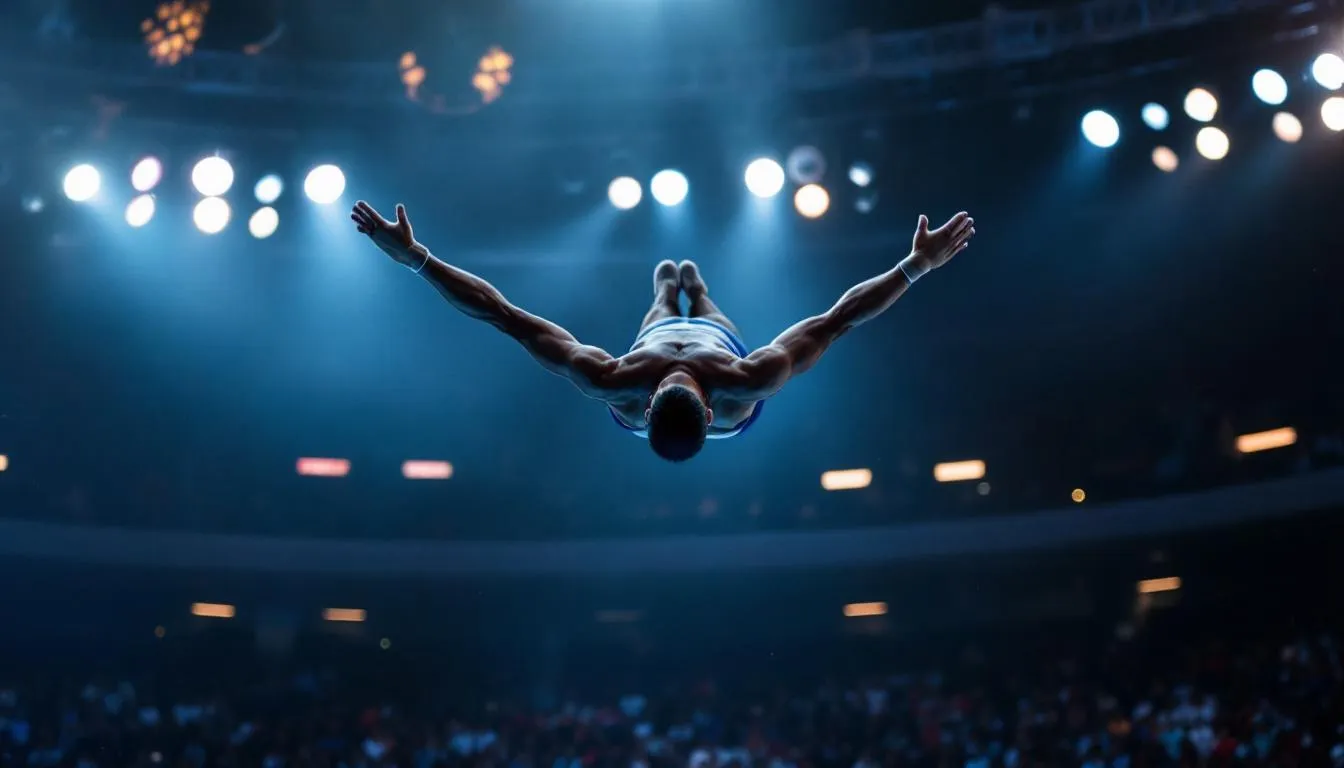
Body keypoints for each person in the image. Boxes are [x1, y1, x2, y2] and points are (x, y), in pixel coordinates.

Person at [351, 202, 975, 462]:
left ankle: (666, 293)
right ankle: (692, 292)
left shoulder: (612, 379)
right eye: (682, 375)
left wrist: (419, 260)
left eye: (671, 377)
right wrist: (914, 267)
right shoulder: (748, 378)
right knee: (702, 315)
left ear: (647, 404)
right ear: (705, 400)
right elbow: (838, 320)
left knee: (660, 321)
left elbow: (504, 315)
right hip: (719, 346)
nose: (678, 364)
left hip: (644, 348)